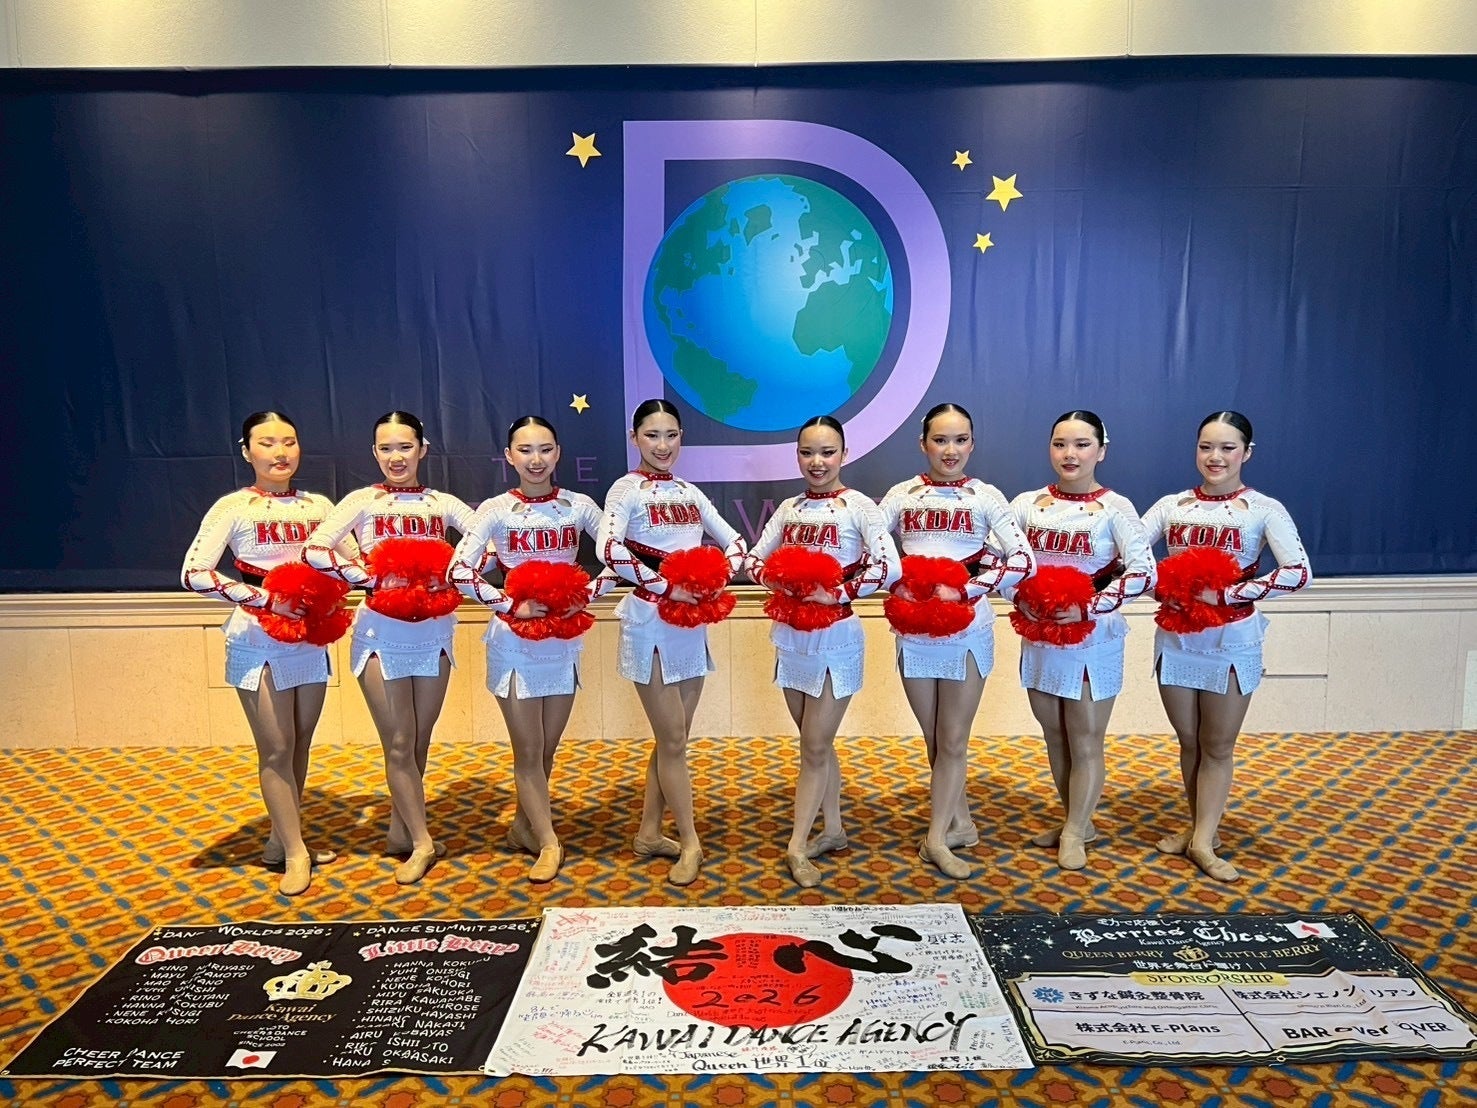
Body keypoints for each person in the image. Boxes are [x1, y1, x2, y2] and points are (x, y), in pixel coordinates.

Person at [304, 411, 475, 885]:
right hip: (380, 634)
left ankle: (401, 830)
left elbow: (488, 540)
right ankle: (422, 842)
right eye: (385, 448)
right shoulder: (362, 501)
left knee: (418, 740)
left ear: (423, 449)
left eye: (405, 447)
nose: (396, 457)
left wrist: (451, 573)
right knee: (399, 740)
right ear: (374, 453)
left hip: (434, 633)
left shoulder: (443, 503)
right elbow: (316, 549)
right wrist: (367, 577)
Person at [1141, 410, 1310, 882]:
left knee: (1217, 745)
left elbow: (1299, 573)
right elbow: (1129, 553)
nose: (1215, 457)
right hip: (1177, 637)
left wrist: (1230, 594)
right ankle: (1202, 830)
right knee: (1189, 740)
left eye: (1227, 448)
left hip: (1232, 640)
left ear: (1246, 453)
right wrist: (1160, 587)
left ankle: (1201, 841)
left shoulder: (1263, 509)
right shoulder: (1171, 506)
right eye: (1206, 447)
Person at [181, 410, 345, 896]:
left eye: (289, 441)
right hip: (257, 639)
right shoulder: (233, 507)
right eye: (267, 443)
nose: (280, 453)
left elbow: (350, 560)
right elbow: (194, 573)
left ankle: (281, 839)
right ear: (246, 450)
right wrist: (265, 599)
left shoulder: (319, 505)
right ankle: (296, 853)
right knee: (275, 747)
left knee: (300, 742)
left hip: (310, 639)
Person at [448, 416, 612, 882]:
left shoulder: (579, 506)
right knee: (528, 748)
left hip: (562, 640)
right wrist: (508, 605)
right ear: (509, 456)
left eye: (544, 449)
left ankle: (524, 826)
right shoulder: (496, 510)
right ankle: (549, 841)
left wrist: (586, 595)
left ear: (558, 453)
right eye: (524, 450)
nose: (535, 460)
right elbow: (459, 571)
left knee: (547, 748)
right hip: (514, 643)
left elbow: (618, 556)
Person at [878, 403, 1034, 879]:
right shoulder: (900, 495)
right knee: (935, 738)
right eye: (940, 440)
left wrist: (964, 589)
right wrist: (898, 585)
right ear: (922, 443)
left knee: (952, 739)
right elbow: (871, 552)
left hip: (967, 631)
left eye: (960, 440)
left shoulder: (986, 496)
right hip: (914, 633)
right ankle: (960, 822)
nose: (950, 450)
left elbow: (1023, 560)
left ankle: (935, 839)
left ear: (972, 444)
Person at [596, 399, 746, 886]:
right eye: (652, 435)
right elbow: (608, 548)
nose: (663, 446)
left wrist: (713, 579)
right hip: (650, 624)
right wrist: (667, 587)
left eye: (671, 435)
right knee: (675, 740)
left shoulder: (689, 492)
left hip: (691, 625)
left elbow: (736, 543)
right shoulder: (625, 489)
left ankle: (648, 832)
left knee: (671, 740)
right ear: (634, 438)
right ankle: (691, 841)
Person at [747, 416, 897, 888]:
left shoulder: (860, 507)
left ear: (844, 454)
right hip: (791, 638)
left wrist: (836, 594)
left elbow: (889, 567)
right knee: (817, 743)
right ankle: (832, 829)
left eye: (828, 452)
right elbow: (752, 560)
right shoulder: (789, 509)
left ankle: (796, 845)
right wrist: (777, 581)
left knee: (812, 746)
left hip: (837, 639)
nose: (817, 462)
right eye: (807, 452)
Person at [1007, 410, 1154, 871]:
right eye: (1060, 444)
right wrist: (1020, 599)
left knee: (1085, 737)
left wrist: (1089, 607)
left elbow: (1144, 572)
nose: (1069, 454)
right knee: (1054, 733)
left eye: (1082, 444)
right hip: (1041, 635)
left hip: (1093, 638)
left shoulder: (1116, 508)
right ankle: (1077, 819)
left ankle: (1074, 832)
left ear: (1101, 451)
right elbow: (999, 560)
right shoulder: (1026, 504)